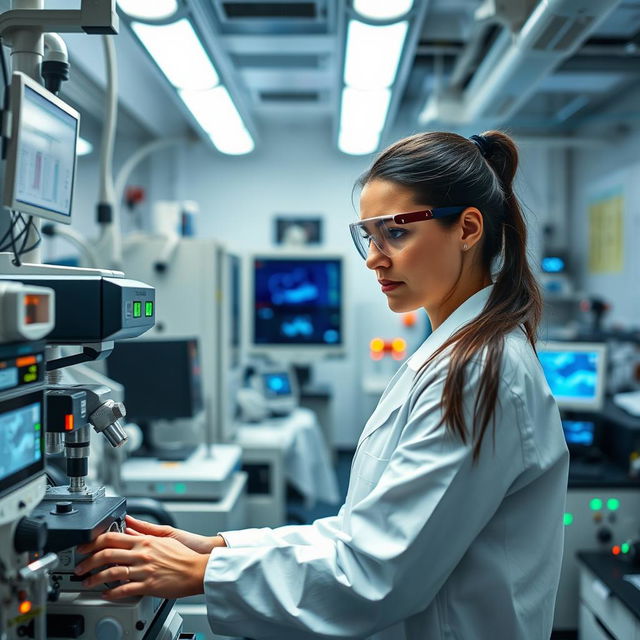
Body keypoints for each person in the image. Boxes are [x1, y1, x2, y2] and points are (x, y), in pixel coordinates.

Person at [75, 130, 569, 639]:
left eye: (395, 233)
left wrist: (202, 575)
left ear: (467, 228)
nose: (375, 258)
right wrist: (220, 548)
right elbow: (362, 533)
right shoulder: (451, 356)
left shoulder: (476, 371)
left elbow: (378, 575)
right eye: (368, 237)